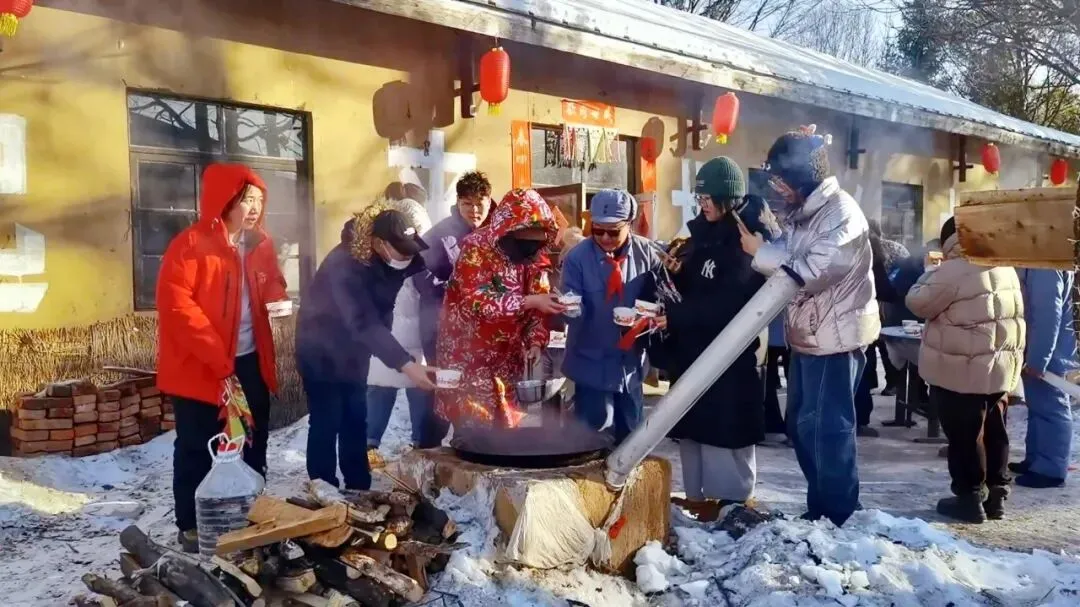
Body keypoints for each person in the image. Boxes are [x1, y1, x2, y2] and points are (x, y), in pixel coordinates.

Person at [739, 125, 880, 527]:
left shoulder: (841, 213)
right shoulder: (807, 213)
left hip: (834, 340)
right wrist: (768, 239)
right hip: (810, 335)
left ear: (800, 178)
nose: (777, 189)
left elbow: (813, 271)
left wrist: (760, 252)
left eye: (781, 181)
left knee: (826, 429)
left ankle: (837, 513)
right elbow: (791, 252)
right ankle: (821, 506)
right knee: (803, 426)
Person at [156, 163, 288, 552]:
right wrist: (217, 358)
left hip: (248, 361)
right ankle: (191, 524)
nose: (254, 208)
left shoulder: (260, 244)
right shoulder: (190, 245)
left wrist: (276, 295)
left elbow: (272, 281)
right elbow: (179, 308)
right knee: (199, 444)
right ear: (224, 200)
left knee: (252, 438)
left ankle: (252, 511)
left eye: (259, 200)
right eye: (247, 199)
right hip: (199, 366)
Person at [658, 158, 779, 520]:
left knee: (722, 436)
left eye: (708, 197)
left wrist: (676, 315)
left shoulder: (746, 239)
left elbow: (730, 304)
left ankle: (730, 508)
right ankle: (698, 502)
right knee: (694, 433)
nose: (702, 204)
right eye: (699, 197)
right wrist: (678, 275)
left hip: (729, 363)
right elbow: (702, 287)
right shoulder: (702, 235)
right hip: (693, 352)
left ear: (727, 197)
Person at [296, 206, 435, 491]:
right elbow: (362, 320)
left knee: (356, 416)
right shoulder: (344, 265)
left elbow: (379, 315)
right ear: (379, 243)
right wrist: (406, 364)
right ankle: (323, 489)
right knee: (327, 418)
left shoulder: (390, 261)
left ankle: (359, 486)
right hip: (319, 348)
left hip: (355, 349)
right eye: (402, 251)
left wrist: (400, 355)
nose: (408, 258)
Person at [906, 217, 1024, 522]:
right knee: (995, 431)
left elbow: (917, 302)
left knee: (965, 436)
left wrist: (930, 272)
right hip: (999, 367)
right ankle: (997, 494)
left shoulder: (953, 270)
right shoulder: (1005, 265)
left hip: (961, 369)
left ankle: (969, 498)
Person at [435, 189, 564, 428]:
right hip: (469, 351)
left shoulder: (535, 253)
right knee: (474, 422)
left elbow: (540, 299)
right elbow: (475, 300)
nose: (530, 248)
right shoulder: (476, 248)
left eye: (536, 240)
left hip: (508, 355)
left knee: (506, 423)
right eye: (525, 240)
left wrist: (535, 342)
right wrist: (529, 301)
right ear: (508, 230)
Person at [560, 189, 663, 444]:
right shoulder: (577, 258)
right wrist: (570, 309)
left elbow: (662, 295)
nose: (605, 237)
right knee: (591, 443)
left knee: (632, 443)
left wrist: (653, 313)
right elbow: (571, 303)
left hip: (630, 367)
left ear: (629, 224)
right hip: (591, 365)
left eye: (614, 232)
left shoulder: (648, 253)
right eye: (598, 230)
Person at [366, 199, 439, 468]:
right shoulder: (418, 262)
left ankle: (369, 445)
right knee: (411, 389)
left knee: (382, 390)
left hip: (397, 340)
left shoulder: (387, 258)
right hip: (404, 339)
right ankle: (422, 447)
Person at [1011, 268, 1077, 488]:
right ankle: (1036, 460)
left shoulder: (1045, 266)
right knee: (1038, 406)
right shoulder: (1041, 262)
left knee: (1051, 407)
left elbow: (1048, 315)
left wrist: (1039, 358)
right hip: (1044, 348)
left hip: (1049, 352)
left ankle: (1050, 469)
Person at [762, 314, 790, 446]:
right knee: (796, 385)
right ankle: (782, 429)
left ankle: (773, 428)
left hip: (771, 332)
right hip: (793, 333)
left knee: (767, 383)